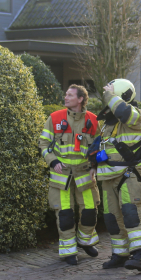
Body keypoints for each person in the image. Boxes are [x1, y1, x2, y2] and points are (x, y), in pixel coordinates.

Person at [38, 85, 100, 265]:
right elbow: (43, 144)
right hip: (61, 175)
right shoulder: (55, 118)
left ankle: (84, 240)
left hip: (84, 174)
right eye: (66, 94)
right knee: (65, 214)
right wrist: (53, 161)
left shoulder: (93, 120)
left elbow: (98, 146)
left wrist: (94, 164)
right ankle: (69, 251)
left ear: (80, 99)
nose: (66, 97)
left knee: (90, 211)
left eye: (70, 95)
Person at [93, 79, 141, 271]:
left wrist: (111, 96)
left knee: (132, 213)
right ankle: (120, 253)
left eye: (110, 96)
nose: (107, 101)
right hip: (108, 176)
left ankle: (140, 256)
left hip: (129, 174)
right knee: (111, 217)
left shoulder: (135, 116)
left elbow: (124, 112)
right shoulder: (108, 124)